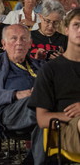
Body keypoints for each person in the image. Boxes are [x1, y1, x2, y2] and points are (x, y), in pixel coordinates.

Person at [0, 24, 43, 159]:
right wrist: (16, 94)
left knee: (47, 122)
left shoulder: (39, 65)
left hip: (39, 113)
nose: (19, 43)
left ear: (30, 44)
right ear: (4, 44)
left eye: (23, 39)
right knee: (38, 103)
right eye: (13, 38)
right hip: (5, 115)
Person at [29, 8, 80, 155]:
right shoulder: (50, 70)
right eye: (76, 25)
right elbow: (42, 119)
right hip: (65, 131)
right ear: (66, 30)